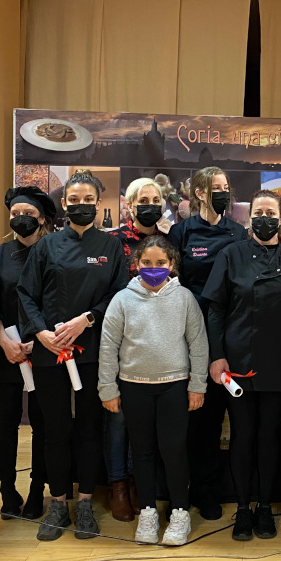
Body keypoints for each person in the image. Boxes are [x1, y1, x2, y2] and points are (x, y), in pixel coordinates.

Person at [17, 169, 128, 541]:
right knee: (55, 429)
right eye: (74, 200)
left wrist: (87, 319)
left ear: (98, 203)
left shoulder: (111, 247)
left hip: (93, 351)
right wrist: (42, 333)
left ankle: (84, 503)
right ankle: (58, 503)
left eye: (88, 200)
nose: (82, 205)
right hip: (50, 351)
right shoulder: (46, 246)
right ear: (64, 204)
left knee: (89, 429)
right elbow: (26, 294)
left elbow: (120, 295)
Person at [202, 190, 281, 540]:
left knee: (269, 435)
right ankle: (243, 508)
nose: (264, 218)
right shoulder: (231, 255)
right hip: (237, 361)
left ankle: (265, 506)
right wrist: (217, 355)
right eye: (258, 212)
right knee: (242, 435)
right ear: (249, 219)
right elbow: (215, 310)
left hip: (278, 359)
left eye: (270, 213)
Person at [98, 235, 208, 546]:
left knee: (174, 451)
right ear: (136, 264)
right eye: (147, 262)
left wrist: (197, 384)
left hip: (174, 386)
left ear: (171, 265)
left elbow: (198, 344)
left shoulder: (185, 299)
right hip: (134, 387)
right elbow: (108, 346)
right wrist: (107, 388)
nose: (153, 268)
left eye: (160, 263)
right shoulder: (122, 300)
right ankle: (147, 512)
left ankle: (180, 512)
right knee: (142, 452)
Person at [167, 166, 247, 520]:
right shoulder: (181, 232)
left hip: (228, 334)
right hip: (188, 335)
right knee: (192, 420)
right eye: (216, 188)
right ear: (199, 193)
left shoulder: (238, 232)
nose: (223, 193)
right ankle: (184, 490)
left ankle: (209, 489)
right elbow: (173, 282)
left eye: (226, 187)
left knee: (216, 417)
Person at [103, 175, 174, 521]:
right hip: (122, 340)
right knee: (118, 419)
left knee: (146, 424)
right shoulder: (113, 241)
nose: (150, 206)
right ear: (129, 206)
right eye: (142, 201)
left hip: (160, 343)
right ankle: (118, 484)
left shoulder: (170, 241)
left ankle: (138, 483)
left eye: (155, 200)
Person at [0, 186, 55, 521]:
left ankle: (36, 491)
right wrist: (2, 339)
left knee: (42, 424)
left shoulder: (54, 252)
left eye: (28, 213)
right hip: (6, 350)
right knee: (7, 423)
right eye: (15, 214)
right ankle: (7, 492)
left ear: (41, 218)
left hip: (44, 350)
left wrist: (38, 341)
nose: (21, 218)